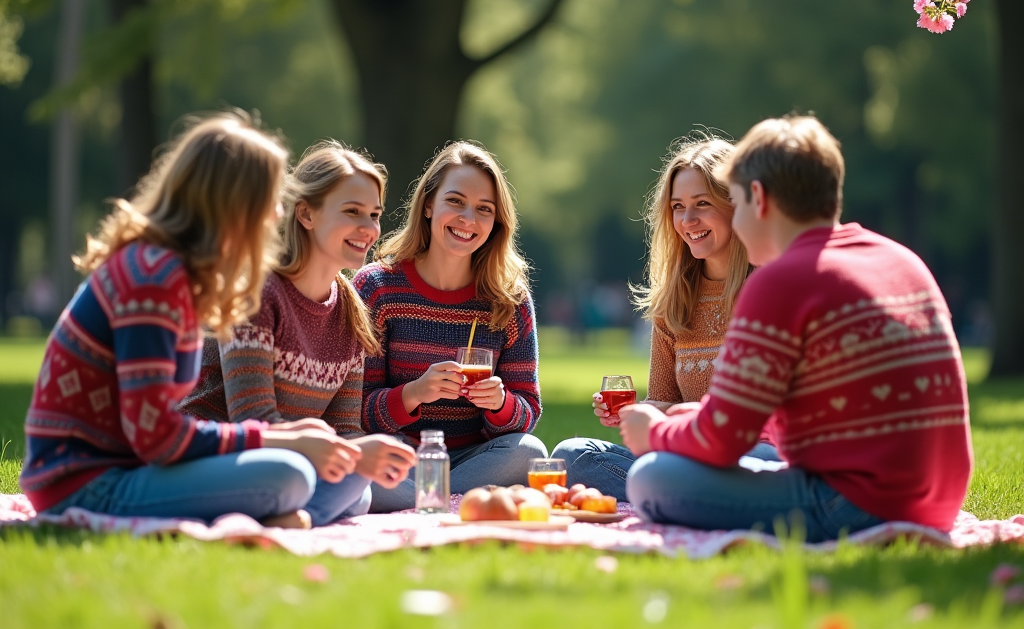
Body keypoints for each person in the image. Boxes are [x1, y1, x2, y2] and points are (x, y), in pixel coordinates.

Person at [621, 116, 973, 542]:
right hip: (940, 502)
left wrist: (653, 431)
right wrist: (694, 416)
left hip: (856, 504)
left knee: (651, 479)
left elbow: (724, 443)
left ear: (757, 198)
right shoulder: (903, 260)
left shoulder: (781, 280)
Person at [20, 113, 366, 528]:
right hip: (86, 482)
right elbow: (158, 437)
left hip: (131, 468)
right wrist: (283, 438)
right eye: (268, 198)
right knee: (289, 476)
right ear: (233, 201)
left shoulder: (174, 273)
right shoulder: (153, 277)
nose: (277, 214)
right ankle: (279, 515)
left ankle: (282, 516)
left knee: (348, 482)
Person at [180, 140, 416, 525]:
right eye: (352, 212)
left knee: (362, 490)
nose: (369, 228)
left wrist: (370, 453)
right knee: (298, 477)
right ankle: (290, 513)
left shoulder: (351, 310)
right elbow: (251, 421)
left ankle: (288, 516)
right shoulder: (258, 292)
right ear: (305, 214)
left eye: (374, 214)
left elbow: (345, 429)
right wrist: (352, 455)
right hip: (221, 455)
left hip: (295, 461)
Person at [550, 136, 776, 499]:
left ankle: (682, 493)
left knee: (756, 458)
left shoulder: (771, 288)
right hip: (686, 455)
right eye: (678, 206)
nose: (688, 220)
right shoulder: (674, 303)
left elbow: (777, 411)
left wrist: (684, 413)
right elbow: (662, 403)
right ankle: (691, 494)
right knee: (573, 456)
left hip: (752, 451)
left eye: (702, 204)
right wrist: (639, 413)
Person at [354, 141, 546, 512]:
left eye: (483, 210)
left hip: (473, 459)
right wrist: (414, 392)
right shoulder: (377, 287)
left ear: (496, 223)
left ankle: (427, 501)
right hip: (399, 460)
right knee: (356, 473)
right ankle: (458, 502)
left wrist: (501, 403)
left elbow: (528, 411)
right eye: (455, 201)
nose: (468, 220)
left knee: (529, 452)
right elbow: (355, 408)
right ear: (428, 205)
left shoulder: (510, 300)